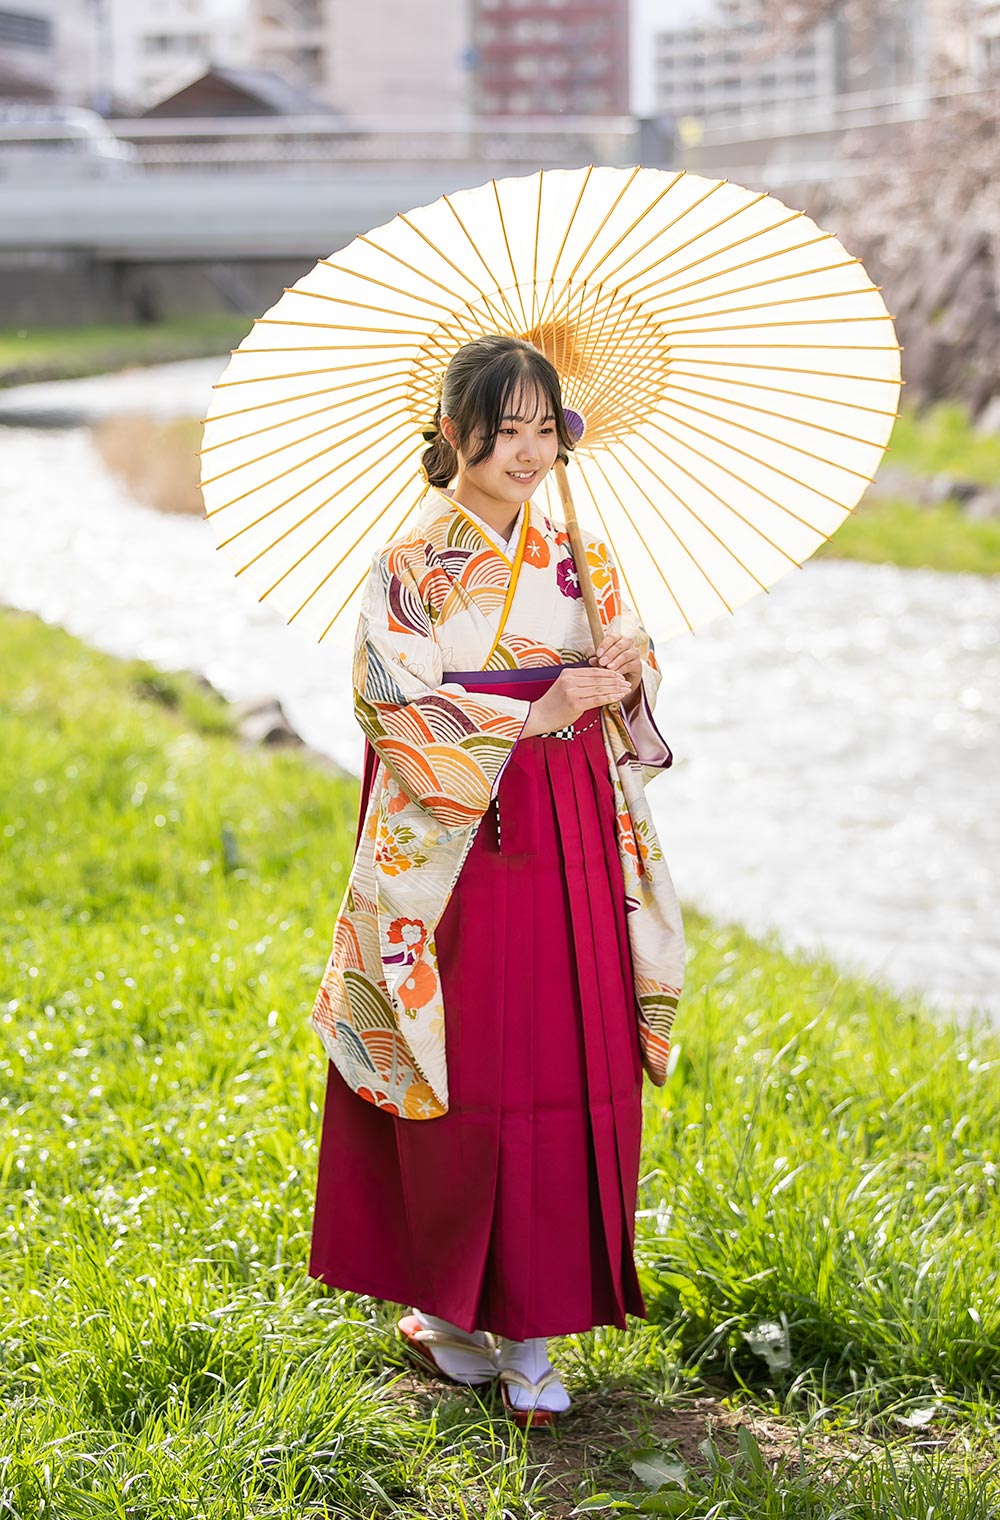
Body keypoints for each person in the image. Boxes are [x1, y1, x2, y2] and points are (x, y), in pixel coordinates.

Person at [307, 334, 685, 1426]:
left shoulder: (582, 552)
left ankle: (531, 1329)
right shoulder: (411, 562)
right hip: (458, 843)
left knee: (570, 1056)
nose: (527, 452)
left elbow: (630, 679)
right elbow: (387, 704)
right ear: (453, 432)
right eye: (504, 429)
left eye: (543, 430)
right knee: (466, 1063)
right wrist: (529, 708)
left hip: (571, 825)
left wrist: (625, 677)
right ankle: (447, 1310)